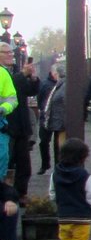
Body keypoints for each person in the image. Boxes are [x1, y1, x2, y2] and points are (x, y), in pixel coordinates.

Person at [6, 53, 38, 200]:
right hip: (6, 125)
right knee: (6, 161)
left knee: (24, 163)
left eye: (11, 53)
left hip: (21, 125)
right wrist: (23, 74)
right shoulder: (6, 73)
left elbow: (30, 91)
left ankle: (20, 192)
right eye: (6, 53)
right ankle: (6, 194)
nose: (10, 55)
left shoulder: (15, 71)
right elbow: (12, 85)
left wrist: (32, 77)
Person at [39, 64, 67, 158]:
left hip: (58, 120)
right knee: (51, 143)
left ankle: (58, 166)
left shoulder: (62, 85)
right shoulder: (58, 84)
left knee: (59, 145)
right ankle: (49, 164)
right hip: (54, 119)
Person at [0, 44, 17, 180]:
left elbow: (12, 99)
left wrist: (3, 108)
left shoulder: (3, 74)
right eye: (7, 52)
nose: (11, 54)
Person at [36, 65, 57, 174]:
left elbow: (39, 99)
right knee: (44, 142)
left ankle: (55, 165)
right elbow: (39, 98)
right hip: (46, 116)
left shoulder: (47, 83)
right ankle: (45, 164)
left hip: (56, 116)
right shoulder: (45, 84)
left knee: (55, 143)